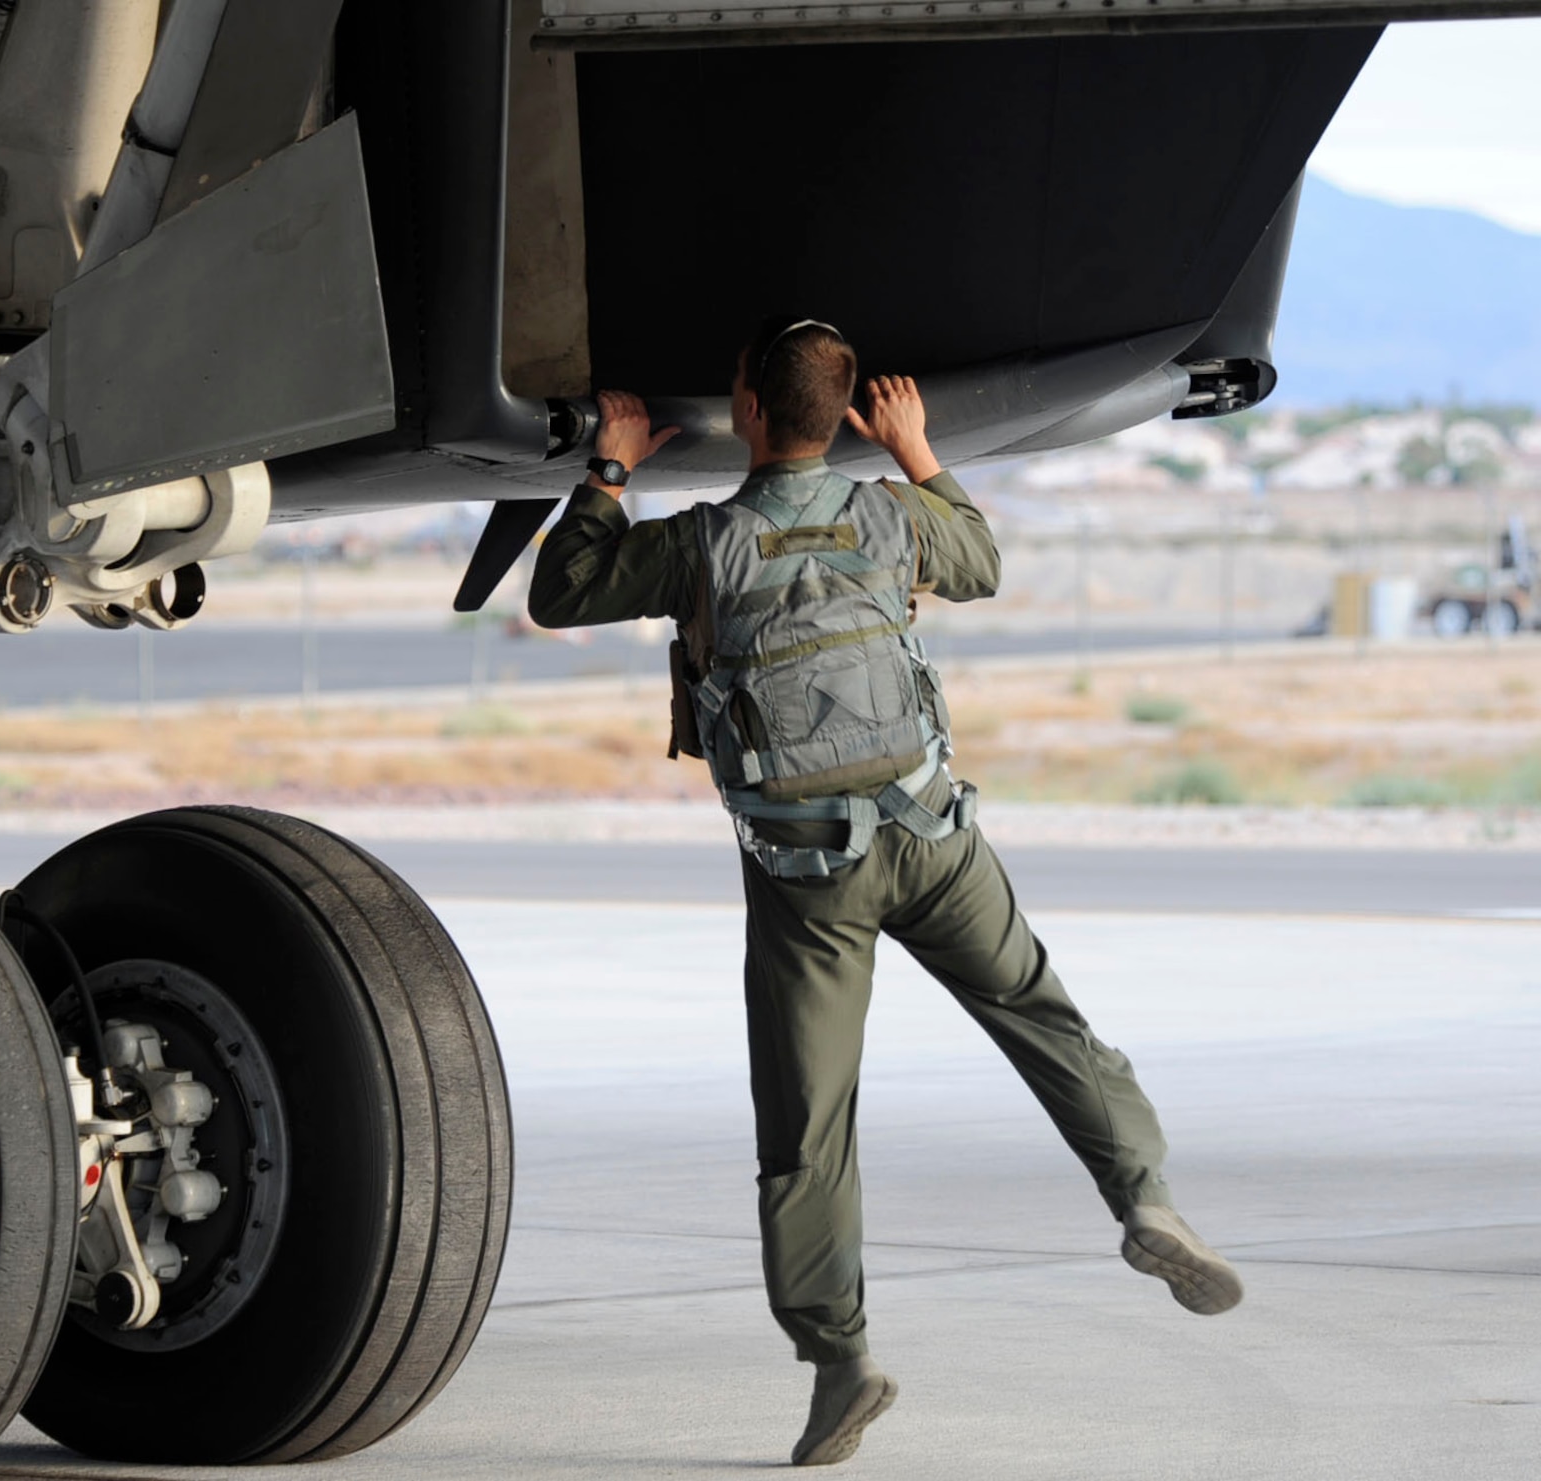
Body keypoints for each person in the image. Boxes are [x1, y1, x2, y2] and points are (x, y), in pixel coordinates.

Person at [528, 318, 1243, 1468]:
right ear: (849, 409)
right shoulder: (888, 512)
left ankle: (838, 1356)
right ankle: (1145, 1197)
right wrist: (914, 451)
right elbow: (982, 562)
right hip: (933, 836)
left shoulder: (704, 540)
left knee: (807, 1128)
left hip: (810, 875)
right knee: (1040, 1015)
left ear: (748, 411)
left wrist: (609, 464)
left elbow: (562, 592)